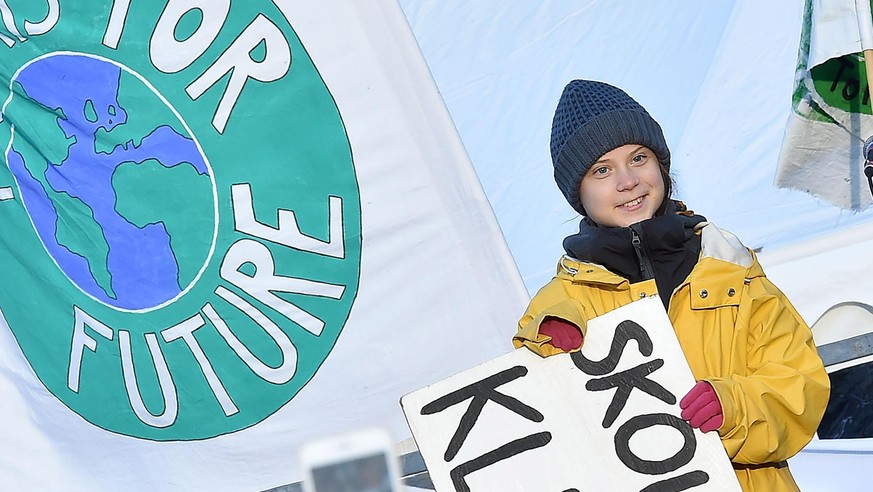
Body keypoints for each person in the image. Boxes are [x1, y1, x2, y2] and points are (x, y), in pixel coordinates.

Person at [513, 79, 830, 491]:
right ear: (579, 193)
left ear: (661, 165)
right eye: (602, 170)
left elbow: (801, 387)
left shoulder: (730, 267)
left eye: (639, 158)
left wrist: (733, 407)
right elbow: (539, 433)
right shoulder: (557, 307)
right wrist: (546, 353)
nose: (627, 181)